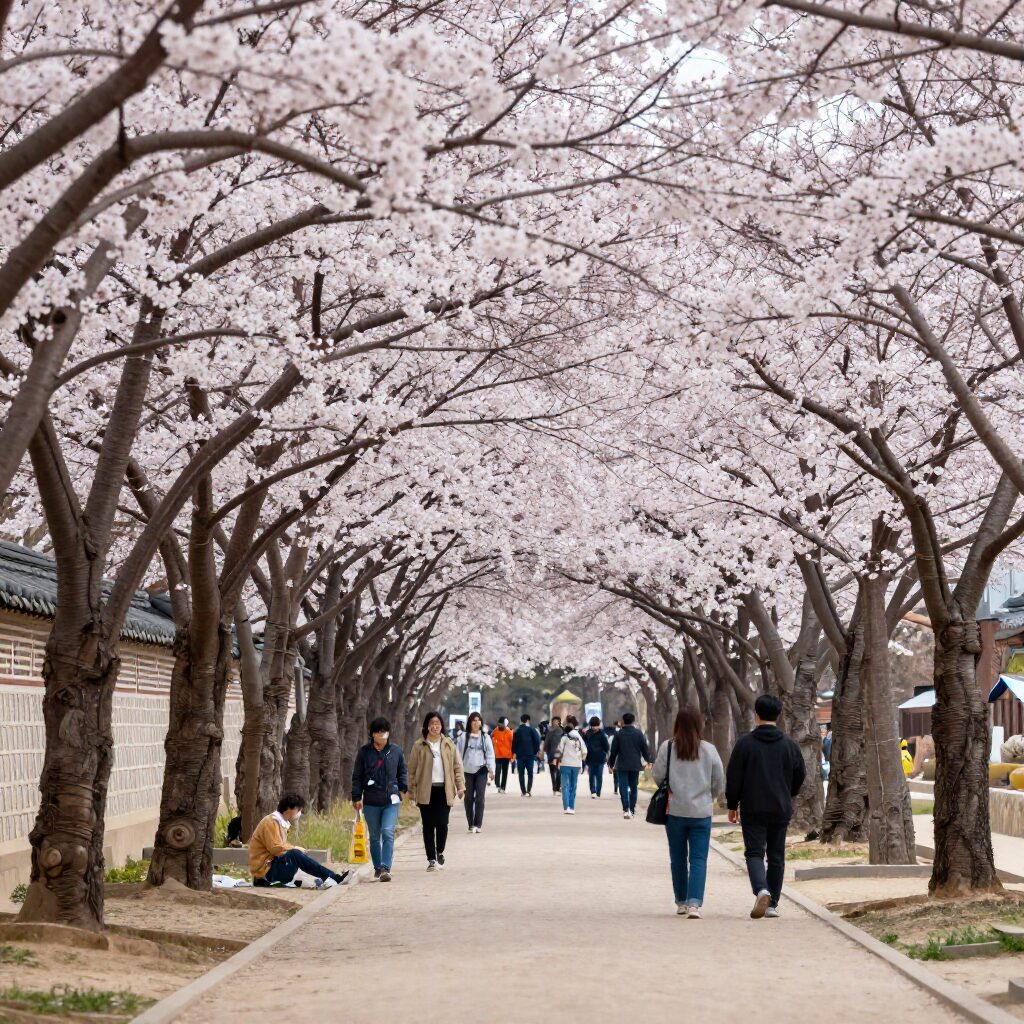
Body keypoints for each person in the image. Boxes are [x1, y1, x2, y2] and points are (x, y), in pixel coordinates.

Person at [726, 693, 806, 919]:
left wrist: (732, 804)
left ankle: (761, 889)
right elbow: (800, 774)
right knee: (776, 855)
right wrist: (789, 793)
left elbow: (734, 777)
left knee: (754, 852)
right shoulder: (789, 745)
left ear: (757, 714)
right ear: (778, 715)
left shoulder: (744, 744)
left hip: (752, 807)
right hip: (780, 806)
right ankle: (772, 904)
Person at [652, 707, 725, 918]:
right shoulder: (709, 749)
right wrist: (709, 797)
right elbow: (719, 780)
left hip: (675, 810)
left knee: (677, 858)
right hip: (701, 812)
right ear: (699, 724)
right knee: (699, 859)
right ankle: (695, 904)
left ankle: (681, 901)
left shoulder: (668, 747)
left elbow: (658, 776)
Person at [351, 716, 408, 882]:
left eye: (384, 731)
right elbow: (357, 776)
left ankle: (385, 867)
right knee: (375, 836)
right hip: (370, 800)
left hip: (392, 800)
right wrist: (356, 796)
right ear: (372, 734)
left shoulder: (396, 751)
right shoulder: (364, 752)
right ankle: (377, 868)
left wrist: (403, 788)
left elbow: (402, 771)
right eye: (378, 731)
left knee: (388, 832)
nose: (382, 734)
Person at [249, 794, 349, 888]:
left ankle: (330, 877)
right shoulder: (270, 822)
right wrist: (294, 848)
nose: (299, 813)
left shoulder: (280, 822)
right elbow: (275, 848)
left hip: (272, 867)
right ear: (288, 809)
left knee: (297, 857)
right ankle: (333, 877)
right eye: (298, 810)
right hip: (265, 873)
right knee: (294, 854)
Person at [408, 711, 466, 871]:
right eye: (432, 723)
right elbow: (412, 770)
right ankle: (431, 859)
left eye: (438, 723)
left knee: (442, 824)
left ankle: (439, 850)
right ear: (426, 726)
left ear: (442, 726)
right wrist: (411, 793)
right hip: (425, 791)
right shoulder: (419, 745)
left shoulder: (448, 744)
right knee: (428, 825)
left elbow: (457, 767)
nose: (435, 726)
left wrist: (460, 786)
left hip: (444, 790)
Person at [608, 712, 653, 818]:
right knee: (633, 787)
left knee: (623, 787)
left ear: (623, 721)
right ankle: (632, 810)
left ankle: (625, 809)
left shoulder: (619, 734)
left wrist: (611, 763)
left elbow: (614, 751)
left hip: (622, 765)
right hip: (635, 765)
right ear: (633, 721)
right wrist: (648, 760)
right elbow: (644, 749)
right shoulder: (638, 733)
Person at [457, 711, 496, 832]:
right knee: (468, 798)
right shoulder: (463, 737)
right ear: (470, 722)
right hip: (467, 771)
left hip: (481, 769)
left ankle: (478, 824)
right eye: (473, 720)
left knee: (480, 798)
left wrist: (491, 770)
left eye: (478, 720)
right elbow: (457, 755)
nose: (476, 722)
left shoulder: (485, 737)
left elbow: (490, 754)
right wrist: (457, 772)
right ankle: (471, 823)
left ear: (481, 722)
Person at [554, 715, 586, 813]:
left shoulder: (564, 738)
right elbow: (584, 751)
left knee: (564, 786)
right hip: (576, 765)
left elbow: (559, 751)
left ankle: (566, 806)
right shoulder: (579, 737)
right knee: (573, 786)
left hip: (565, 764)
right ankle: (571, 807)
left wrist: (557, 760)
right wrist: (581, 760)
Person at [512, 713, 542, 796]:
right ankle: (529, 790)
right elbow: (537, 741)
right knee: (530, 773)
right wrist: (535, 751)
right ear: (528, 720)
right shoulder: (532, 730)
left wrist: (514, 752)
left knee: (521, 774)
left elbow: (514, 743)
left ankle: (523, 791)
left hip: (520, 756)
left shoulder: (517, 730)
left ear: (521, 720)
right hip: (530, 755)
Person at [583, 716, 610, 798]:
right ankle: (593, 791)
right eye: (593, 725)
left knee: (599, 776)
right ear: (591, 725)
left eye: (596, 725)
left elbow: (606, 746)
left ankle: (598, 791)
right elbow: (584, 745)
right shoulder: (587, 733)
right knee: (591, 776)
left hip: (600, 758)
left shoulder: (602, 734)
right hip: (590, 757)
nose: (595, 727)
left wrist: (604, 753)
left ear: (599, 725)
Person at [492, 717, 514, 792]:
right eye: (498, 724)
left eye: (501, 724)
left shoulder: (509, 732)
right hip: (498, 754)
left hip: (506, 755)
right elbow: (491, 736)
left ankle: (503, 787)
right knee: (497, 770)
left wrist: (513, 755)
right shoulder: (496, 730)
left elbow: (512, 743)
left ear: (504, 724)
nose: (499, 725)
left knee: (505, 772)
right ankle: (497, 784)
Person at [543, 716, 565, 794]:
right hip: (551, 754)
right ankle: (554, 788)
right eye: (553, 721)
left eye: (556, 721)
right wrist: (545, 750)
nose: (554, 722)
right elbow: (546, 741)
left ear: (559, 722)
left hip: (559, 754)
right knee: (552, 772)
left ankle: (558, 787)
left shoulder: (562, 731)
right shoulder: (549, 731)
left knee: (559, 771)